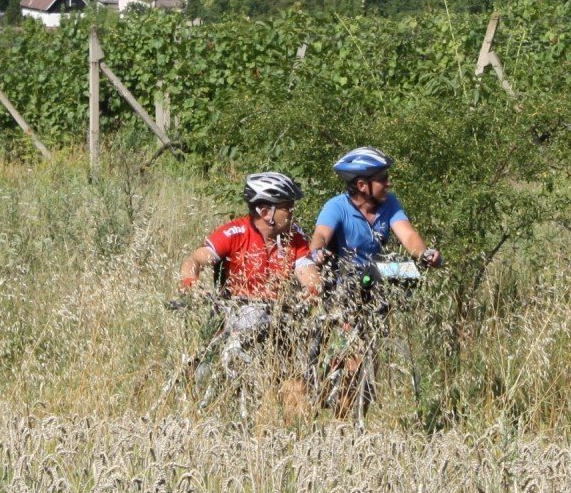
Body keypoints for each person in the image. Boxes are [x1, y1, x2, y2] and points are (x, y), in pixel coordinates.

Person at [176, 171, 322, 369]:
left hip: (279, 317)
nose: (292, 211)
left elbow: (309, 274)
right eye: (287, 206)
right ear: (266, 212)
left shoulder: (294, 237)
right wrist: (190, 281)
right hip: (235, 312)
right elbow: (195, 259)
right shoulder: (235, 232)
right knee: (206, 368)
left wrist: (311, 289)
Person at [309, 147, 440, 280]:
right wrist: (318, 251)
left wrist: (425, 254)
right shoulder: (336, 206)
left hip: (376, 277)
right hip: (345, 282)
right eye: (382, 179)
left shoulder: (389, 202)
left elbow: (408, 235)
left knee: (410, 273)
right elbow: (321, 235)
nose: (388, 183)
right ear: (362, 185)